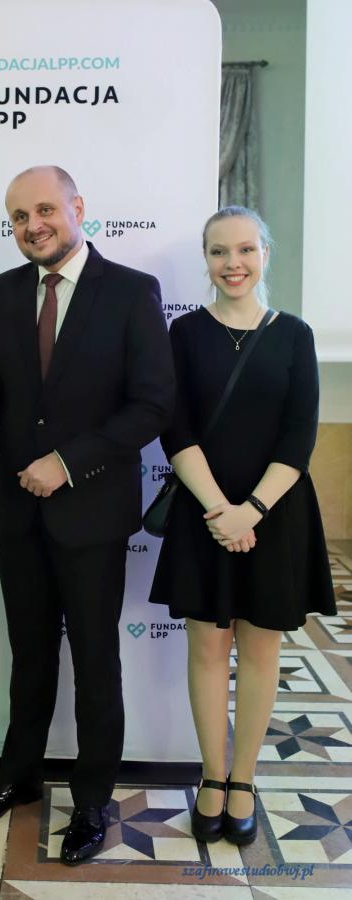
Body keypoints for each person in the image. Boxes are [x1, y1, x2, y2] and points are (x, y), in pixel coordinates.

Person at [0, 165, 174, 864]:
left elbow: (152, 404)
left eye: (43, 210)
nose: (31, 225)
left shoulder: (130, 290)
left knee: (96, 661)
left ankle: (92, 799)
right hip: (16, 511)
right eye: (18, 216)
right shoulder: (1, 292)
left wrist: (67, 462)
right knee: (29, 654)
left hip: (92, 512)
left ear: (77, 208)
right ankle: (19, 776)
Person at [149, 206, 336, 846]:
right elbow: (176, 430)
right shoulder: (183, 334)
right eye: (219, 251)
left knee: (261, 649)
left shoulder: (295, 334)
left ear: (265, 255)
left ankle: (244, 780)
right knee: (208, 648)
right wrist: (219, 512)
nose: (233, 263)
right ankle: (212, 775)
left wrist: (249, 511)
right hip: (205, 513)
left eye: (246, 250)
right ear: (206, 260)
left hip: (275, 516)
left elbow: (299, 436)